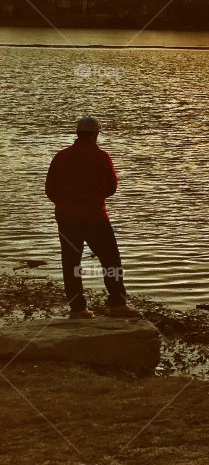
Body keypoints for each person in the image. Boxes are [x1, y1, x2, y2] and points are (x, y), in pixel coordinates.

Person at [45, 116, 140, 319]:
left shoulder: (60, 157)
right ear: (96, 134)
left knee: (71, 263)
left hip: (66, 218)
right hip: (95, 217)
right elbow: (112, 187)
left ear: (78, 134)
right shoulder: (101, 157)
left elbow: (50, 189)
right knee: (111, 260)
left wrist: (65, 204)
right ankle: (117, 303)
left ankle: (78, 309)